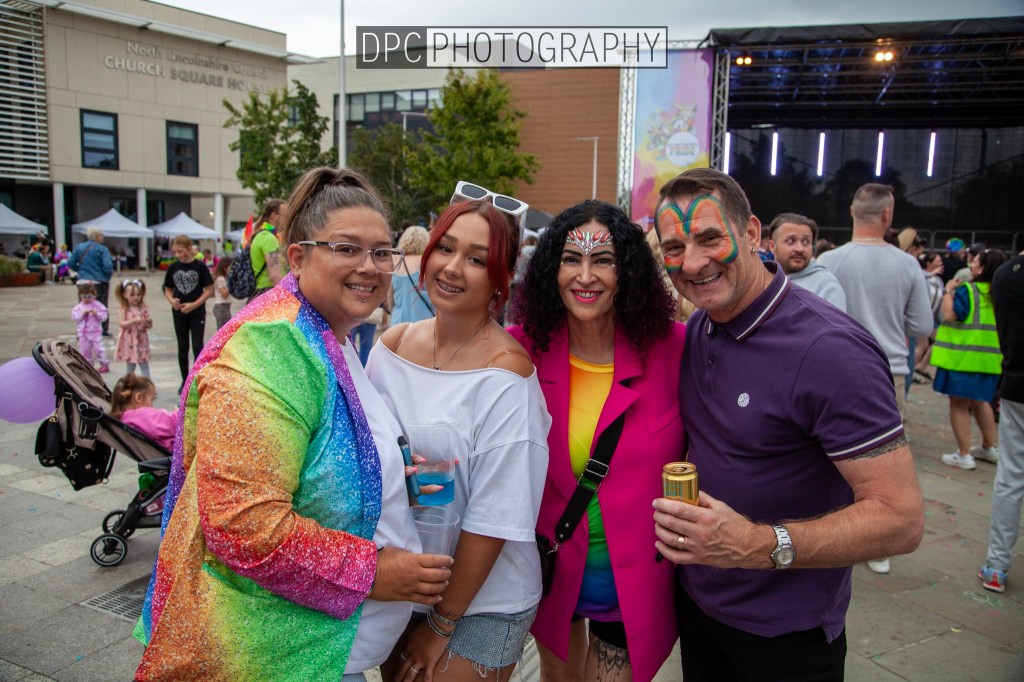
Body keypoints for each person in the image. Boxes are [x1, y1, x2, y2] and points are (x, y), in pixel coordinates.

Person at [134, 167, 453, 681]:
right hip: (271, 658)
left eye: (381, 252)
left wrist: (391, 477)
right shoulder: (272, 346)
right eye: (347, 248)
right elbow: (243, 526)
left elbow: (316, 453)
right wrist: (374, 573)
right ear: (299, 257)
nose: (369, 267)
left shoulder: (329, 330)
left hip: (317, 654)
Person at [651, 168, 924, 682]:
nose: (691, 262)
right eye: (673, 247)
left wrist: (755, 545)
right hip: (699, 610)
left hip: (786, 638)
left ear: (752, 233)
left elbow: (901, 519)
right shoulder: (699, 326)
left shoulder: (830, 350)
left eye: (710, 238)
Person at [367, 185, 551, 682]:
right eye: (445, 248)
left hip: (482, 600)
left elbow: (496, 517)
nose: (451, 267)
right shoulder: (390, 346)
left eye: (475, 258)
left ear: (500, 280)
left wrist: (442, 622)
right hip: (400, 583)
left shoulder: (507, 376)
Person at [508, 200, 684, 682]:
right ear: (550, 269)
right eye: (571, 259)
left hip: (633, 586)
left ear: (625, 270)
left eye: (602, 260)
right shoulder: (517, 350)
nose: (585, 276)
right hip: (550, 576)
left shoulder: (676, 348)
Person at [930, 248, 1008, 470]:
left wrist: (948, 291)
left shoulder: (968, 291)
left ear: (982, 268)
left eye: (975, 261)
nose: (971, 264)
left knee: (958, 405)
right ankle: (988, 447)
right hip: (990, 360)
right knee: (982, 401)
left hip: (962, 359)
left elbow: (949, 314)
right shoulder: (1000, 293)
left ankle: (964, 454)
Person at [979, 250, 1024, 593]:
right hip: (1014, 385)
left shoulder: (1007, 272)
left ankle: (996, 565)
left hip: (1015, 384)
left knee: (1011, 476)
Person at [162, 234, 213, 393]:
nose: (178, 255)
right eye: (175, 252)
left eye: (181, 251)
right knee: (182, 347)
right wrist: (171, 300)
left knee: (198, 345)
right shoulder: (173, 267)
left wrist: (194, 304)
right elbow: (167, 288)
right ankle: (185, 380)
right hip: (179, 312)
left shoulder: (200, 266)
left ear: (189, 249)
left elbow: (209, 289)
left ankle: (199, 377)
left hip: (196, 311)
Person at [767, 213, 846, 311]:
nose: (800, 249)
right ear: (772, 246)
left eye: (806, 242)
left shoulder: (827, 286)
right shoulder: (761, 279)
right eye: (791, 241)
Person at [109, 373, 177, 451]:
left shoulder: (124, 419)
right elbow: (172, 422)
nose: (152, 405)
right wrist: (179, 413)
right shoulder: (141, 415)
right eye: (151, 400)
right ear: (139, 398)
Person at [68, 227, 114, 335]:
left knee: (83, 305)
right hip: (99, 281)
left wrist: (80, 270)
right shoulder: (103, 249)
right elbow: (107, 266)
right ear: (97, 237)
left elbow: (70, 263)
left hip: (82, 280)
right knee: (101, 305)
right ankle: (103, 329)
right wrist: (107, 276)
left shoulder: (79, 247)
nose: (103, 237)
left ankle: (82, 328)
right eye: (102, 235)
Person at [389, 225, 435, 324]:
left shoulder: (397, 262)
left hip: (397, 323)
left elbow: (390, 299)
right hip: (423, 323)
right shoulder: (427, 263)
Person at [249, 198, 288, 301]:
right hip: (268, 292)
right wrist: (286, 298)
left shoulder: (263, 234)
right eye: (286, 216)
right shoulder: (268, 238)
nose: (288, 219)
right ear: (274, 215)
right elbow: (275, 275)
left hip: (263, 292)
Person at [114, 278, 152, 378]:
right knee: (130, 366)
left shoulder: (143, 307)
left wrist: (148, 322)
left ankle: (147, 386)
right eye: (132, 295)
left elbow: (148, 325)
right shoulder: (124, 308)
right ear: (125, 295)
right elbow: (122, 323)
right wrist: (134, 321)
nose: (136, 297)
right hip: (129, 341)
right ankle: (128, 386)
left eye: (138, 294)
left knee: (144, 364)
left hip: (141, 340)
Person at [71, 283, 109, 373]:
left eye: (90, 296)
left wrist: (97, 314)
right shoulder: (79, 307)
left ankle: (104, 364)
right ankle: (88, 365)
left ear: (94, 295)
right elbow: (75, 318)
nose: (87, 299)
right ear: (80, 296)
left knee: (99, 349)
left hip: (95, 332)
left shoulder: (98, 305)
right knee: (85, 350)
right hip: (83, 333)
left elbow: (104, 316)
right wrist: (82, 314)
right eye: (85, 296)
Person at [210, 256, 233, 330]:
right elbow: (224, 294)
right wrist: (231, 282)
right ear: (225, 267)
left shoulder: (222, 278)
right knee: (224, 330)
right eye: (231, 267)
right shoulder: (221, 278)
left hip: (224, 307)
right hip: (222, 307)